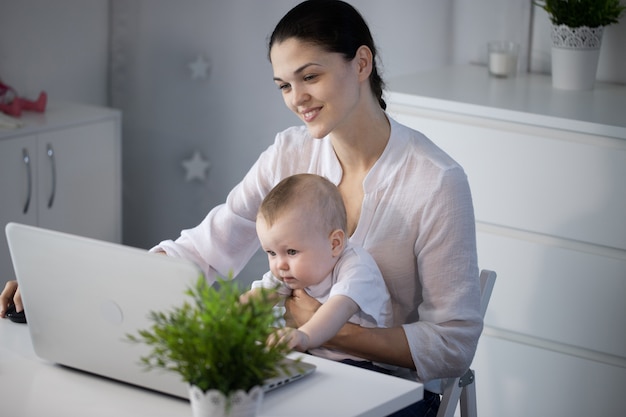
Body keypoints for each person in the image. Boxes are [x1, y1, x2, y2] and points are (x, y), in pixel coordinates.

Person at [1, 1, 482, 415]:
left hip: (388, 394)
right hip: (297, 370)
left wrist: (322, 331)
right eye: (283, 85)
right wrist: (74, 287)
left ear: (361, 64)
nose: (297, 100)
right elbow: (205, 250)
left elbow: (453, 344)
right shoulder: (289, 153)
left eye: (309, 76)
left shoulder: (435, 181)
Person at [241, 173, 393, 368]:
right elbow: (259, 296)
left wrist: (304, 335)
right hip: (317, 357)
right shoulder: (289, 270)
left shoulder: (356, 267)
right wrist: (231, 319)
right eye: (271, 253)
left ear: (334, 244)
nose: (280, 264)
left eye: (292, 251)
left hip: (365, 365)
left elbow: (337, 309)